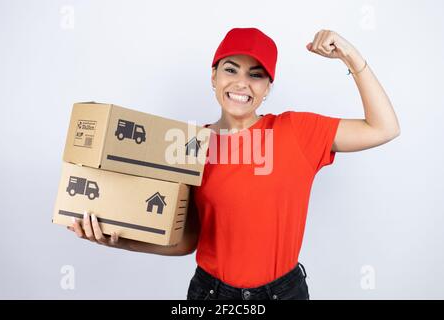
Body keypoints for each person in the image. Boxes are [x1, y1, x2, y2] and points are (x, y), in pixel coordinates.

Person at [67, 27, 401, 300]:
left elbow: (384, 128)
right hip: (211, 294)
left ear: (268, 87)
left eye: (256, 75)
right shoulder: (190, 145)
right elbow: (186, 241)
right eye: (231, 69)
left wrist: (352, 58)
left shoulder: (297, 130)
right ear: (213, 77)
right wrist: (119, 239)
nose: (242, 83)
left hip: (282, 295)